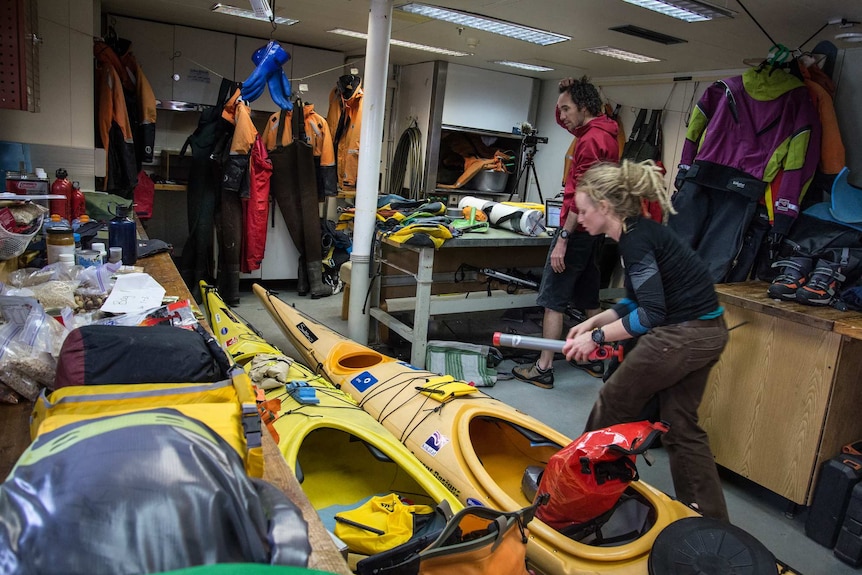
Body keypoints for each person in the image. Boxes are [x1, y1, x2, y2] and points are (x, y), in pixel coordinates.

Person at [562, 160, 730, 521]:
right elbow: (638, 301)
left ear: (605, 208)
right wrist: (596, 320)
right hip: (709, 332)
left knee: (614, 401)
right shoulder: (640, 233)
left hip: (682, 335)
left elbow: (652, 315)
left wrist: (596, 338)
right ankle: (710, 521)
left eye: (584, 209)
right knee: (680, 425)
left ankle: (578, 493)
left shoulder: (636, 241)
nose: (580, 217)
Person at [512, 76, 619, 389]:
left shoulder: (590, 140)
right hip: (594, 229)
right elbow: (567, 121)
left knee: (553, 299)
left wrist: (563, 239)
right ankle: (599, 359)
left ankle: (544, 367)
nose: (562, 116)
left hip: (578, 228)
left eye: (567, 109)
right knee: (588, 295)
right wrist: (563, 95)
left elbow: (582, 195)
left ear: (584, 107)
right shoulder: (603, 132)